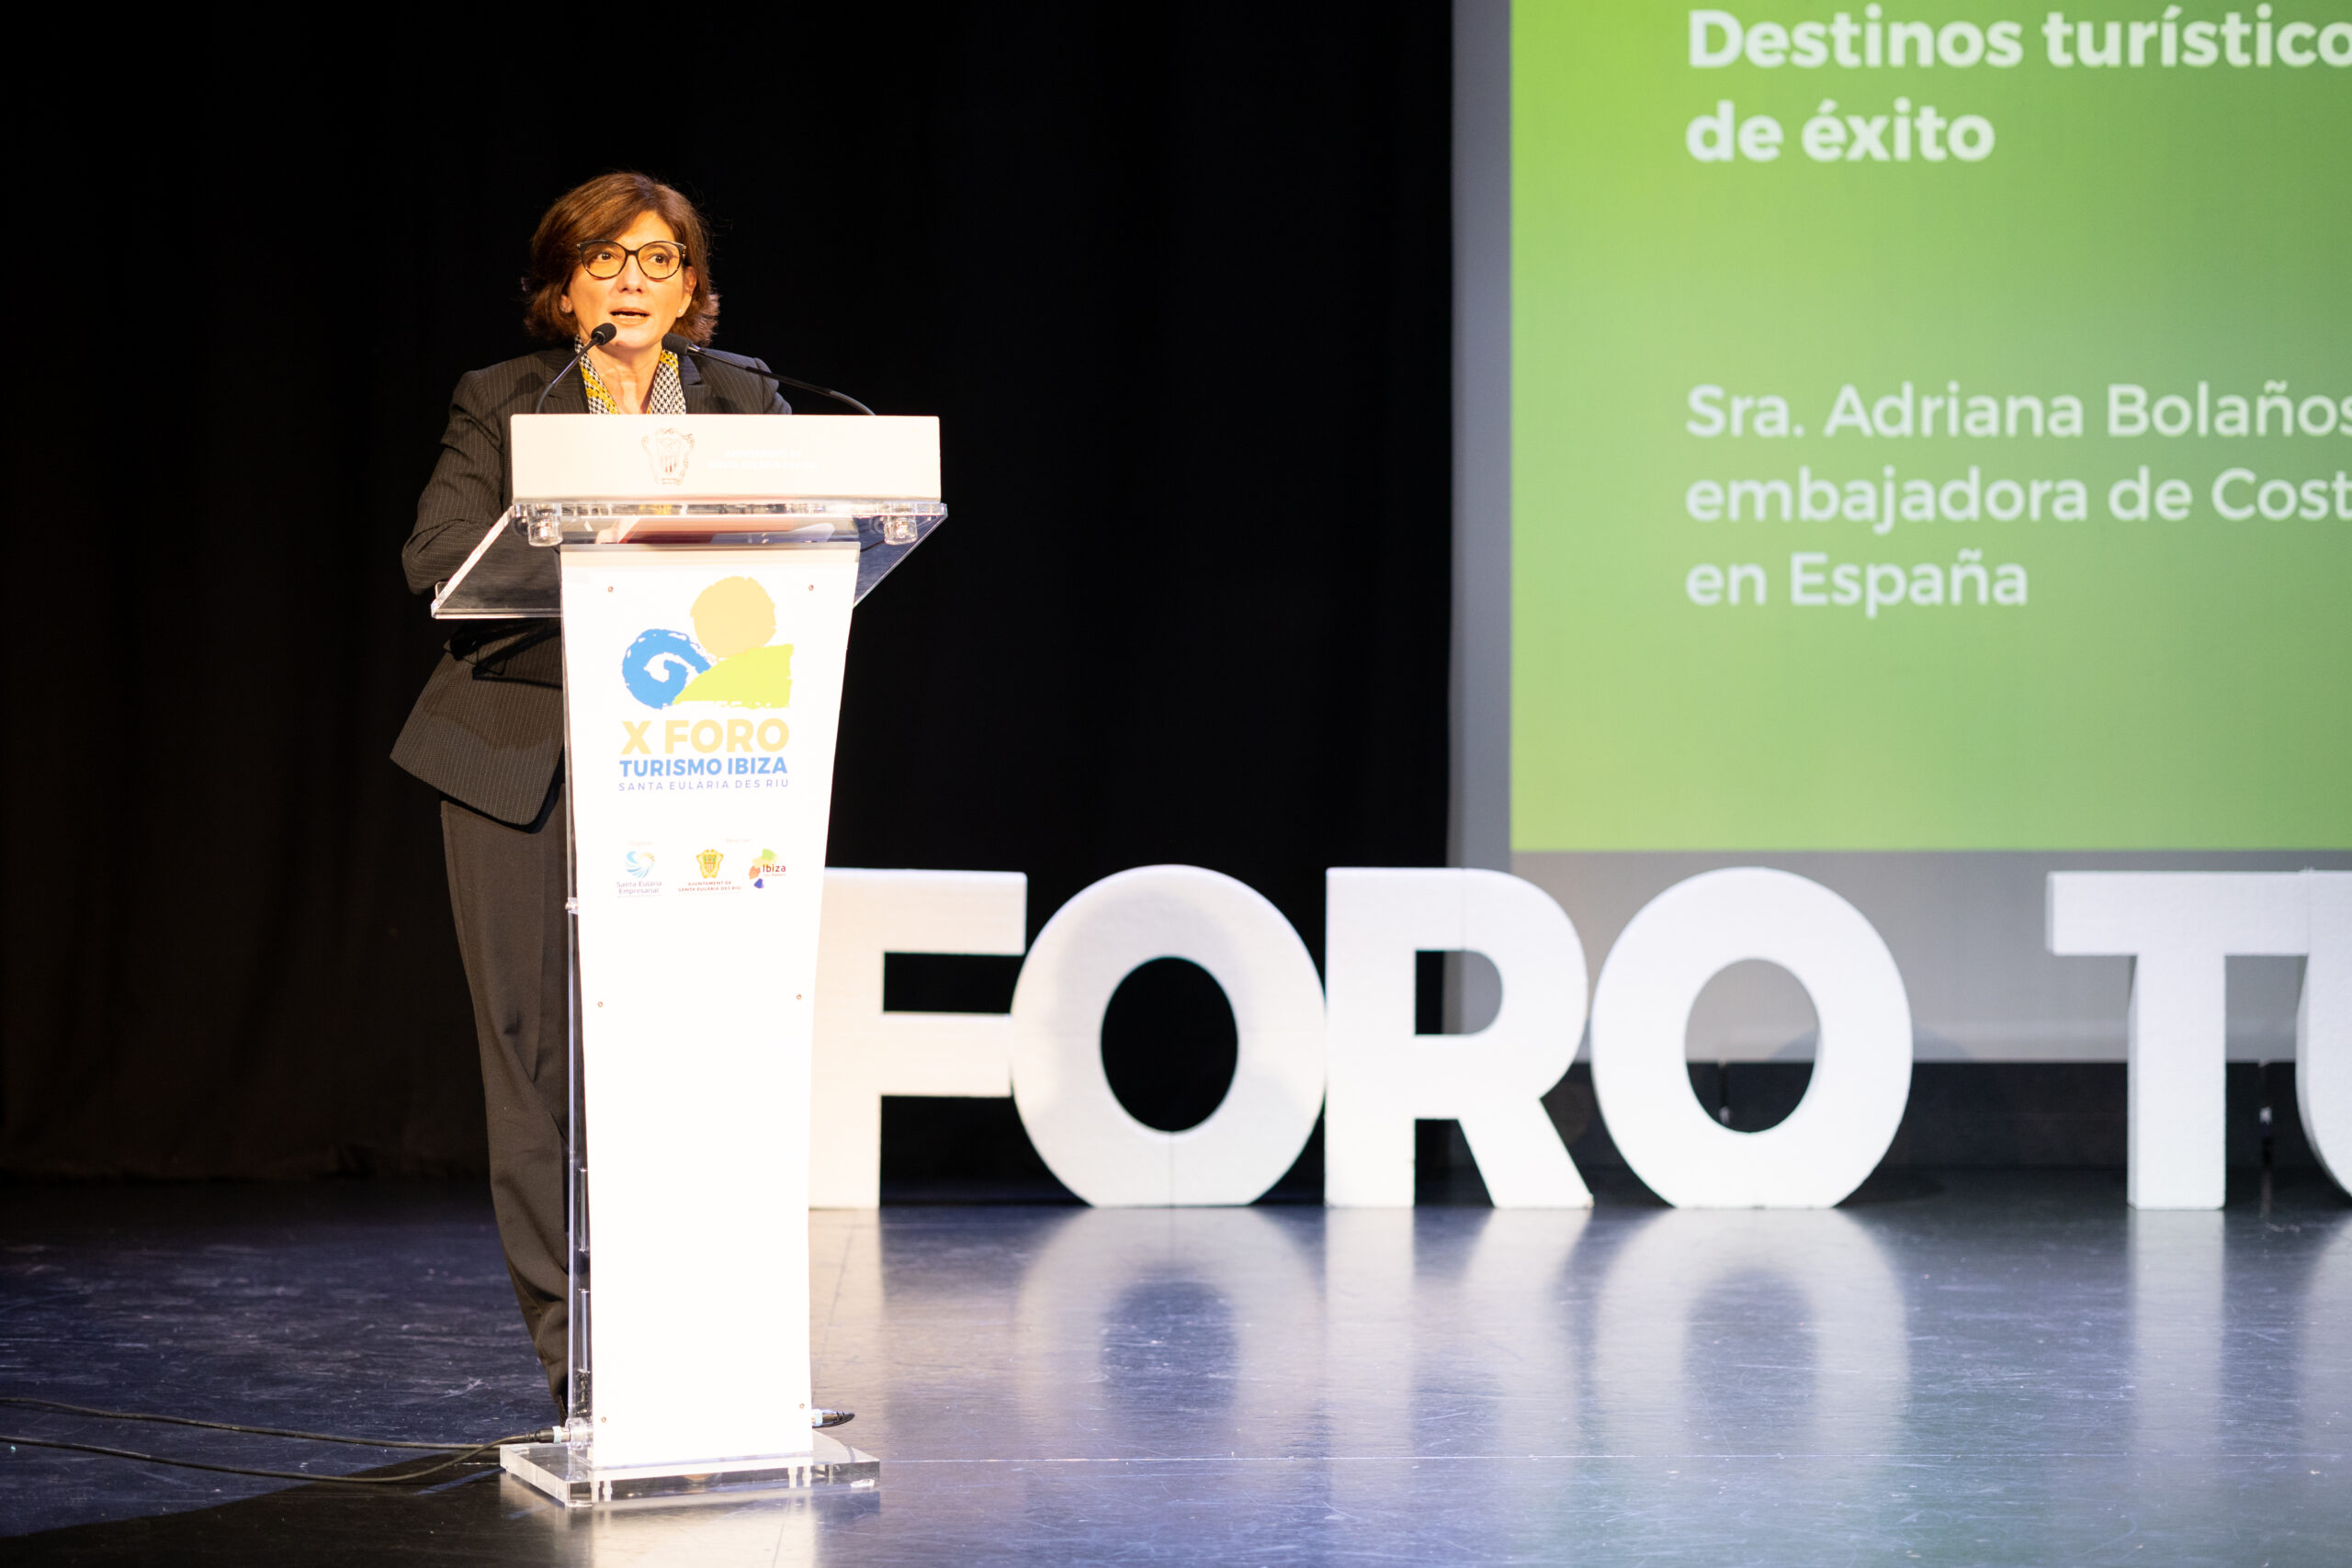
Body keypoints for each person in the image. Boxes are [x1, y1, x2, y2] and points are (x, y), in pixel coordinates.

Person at [392, 172, 789, 1413]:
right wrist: (601, 543)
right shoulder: (505, 399)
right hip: (521, 756)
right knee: (538, 1061)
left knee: (689, 1057)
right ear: (562, 288)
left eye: (658, 257)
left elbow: (807, 545)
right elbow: (437, 561)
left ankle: (700, 1355)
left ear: (691, 286)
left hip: (699, 760)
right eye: (604, 258)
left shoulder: (745, 399)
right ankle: (586, 1370)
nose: (632, 278)